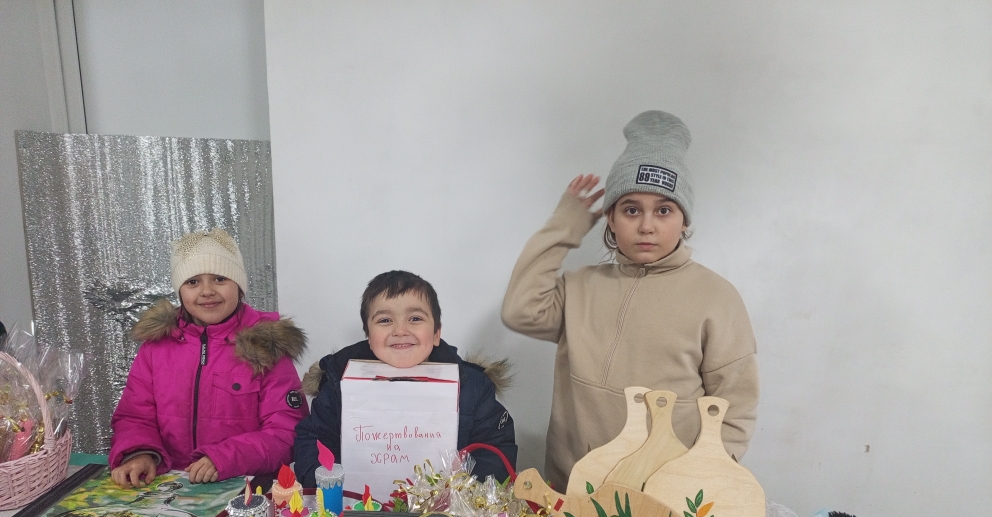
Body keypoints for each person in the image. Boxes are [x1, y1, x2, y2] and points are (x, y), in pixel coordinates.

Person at [501, 110, 758, 489]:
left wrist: (704, 477)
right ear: (610, 217)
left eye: (664, 210)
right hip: (573, 490)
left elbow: (736, 405)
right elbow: (520, 311)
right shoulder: (580, 287)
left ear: (684, 220)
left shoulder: (717, 298)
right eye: (631, 209)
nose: (646, 226)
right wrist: (565, 226)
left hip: (665, 497)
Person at [109, 228, 308, 486]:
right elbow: (134, 416)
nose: (207, 291)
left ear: (239, 287)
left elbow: (286, 431)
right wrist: (139, 453)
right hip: (168, 486)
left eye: (220, 278)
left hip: (245, 487)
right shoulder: (156, 348)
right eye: (193, 282)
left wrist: (224, 458)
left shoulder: (266, 346)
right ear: (180, 291)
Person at [294, 270, 517, 487]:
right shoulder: (339, 385)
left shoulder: (472, 386)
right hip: (357, 507)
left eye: (415, 318)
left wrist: (467, 489)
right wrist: (329, 484)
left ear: (436, 333)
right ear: (369, 336)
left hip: (447, 508)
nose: (400, 330)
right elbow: (312, 441)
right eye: (385, 320)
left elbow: (496, 449)